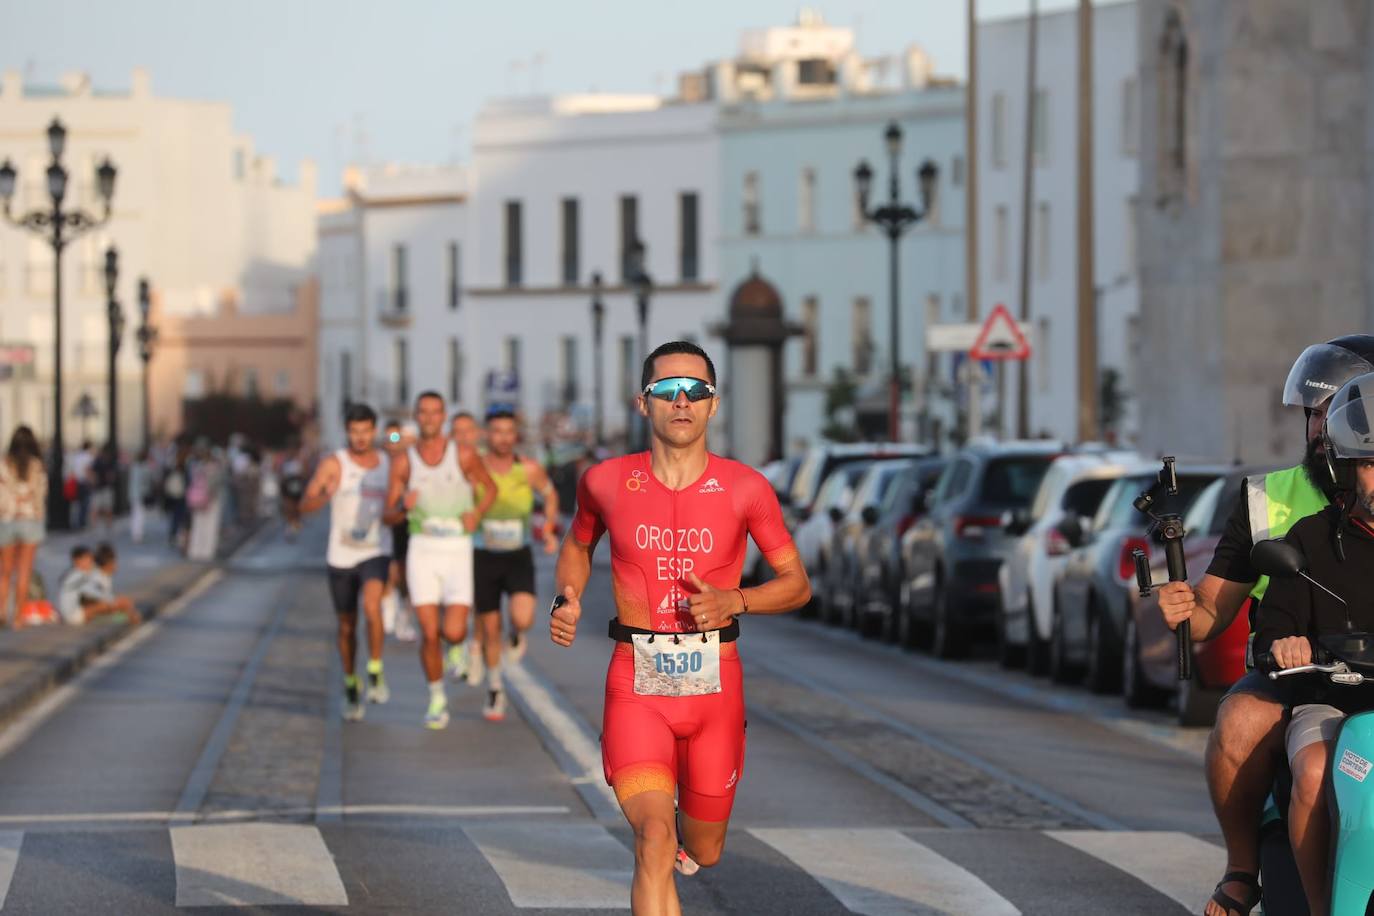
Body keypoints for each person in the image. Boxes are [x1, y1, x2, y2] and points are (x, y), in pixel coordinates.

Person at [551, 341, 810, 914]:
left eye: (696, 390)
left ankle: (684, 839)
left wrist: (736, 600)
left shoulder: (746, 488)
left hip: (716, 686)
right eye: (667, 390)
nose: (682, 401)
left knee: (704, 848)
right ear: (644, 404)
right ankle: (661, 840)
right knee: (652, 839)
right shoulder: (604, 482)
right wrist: (566, 597)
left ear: (713, 405)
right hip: (637, 684)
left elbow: (798, 583)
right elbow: (577, 543)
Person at [1158, 334, 1374, 916]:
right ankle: (1242, 868)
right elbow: (1211, 613)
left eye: (1335, 410)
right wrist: (1185, 609)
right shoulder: (1268, 499)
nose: (1319, 428)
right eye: (1313, 414)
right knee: (1239, 718)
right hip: (1302, 671)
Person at [1253, 371, 1374, 915]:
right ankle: (1324, 907)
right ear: (1344, 469)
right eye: (1373, 465)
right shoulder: (1309, 538)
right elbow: (1271, 627)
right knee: (1315, 773)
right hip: (1337, 700)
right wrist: (1285, 645)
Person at [383, 391, 496, 729]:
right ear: (416, 417)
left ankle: (458, 648)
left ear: (443, 416)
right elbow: (388, 514)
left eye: (435, 412)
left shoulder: (462, 454)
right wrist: (403, 505)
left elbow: (489, 489)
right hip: (422, 549)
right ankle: (436, 698)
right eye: (423, 412)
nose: (429, 418)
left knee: (454, 629)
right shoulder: (404, 461)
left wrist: (476, 512)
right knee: (429, 633)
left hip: (457, 550)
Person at [299, 403, 393, 722]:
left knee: (372, 607)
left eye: (366, 431)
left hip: (375, 549)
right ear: (347, 432)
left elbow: (401, 503)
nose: (361, 437)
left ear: (374, 430)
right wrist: (324, 496)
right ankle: (351, 682)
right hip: (341, 554)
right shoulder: (333, 464)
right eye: (354, 432)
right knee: (346, 626)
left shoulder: (386, 464)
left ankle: (375, 670)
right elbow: (305, 505)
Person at [471, 408, 561, 721]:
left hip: (517, 554)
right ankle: (495, 688)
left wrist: (548, 528)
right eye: (497, 431)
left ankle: (517, 634)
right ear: (487, 434)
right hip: (482, 554)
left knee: (522, 618)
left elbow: (550, 496)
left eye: (509, 432)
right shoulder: (475, 467)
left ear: (516, 436)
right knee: (490, 627)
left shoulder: (529, 469)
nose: (503, 438)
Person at [0, 426, 47, 628]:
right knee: (24, 572)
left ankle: (1, 611)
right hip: (30, 521)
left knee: (5, 572)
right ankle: (18, 617)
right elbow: (41, 494)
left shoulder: (4, 464)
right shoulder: (37, 466)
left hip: (7, 520)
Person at [56, 544, 139, 626]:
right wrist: (117, 601)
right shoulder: (78, 576)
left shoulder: (76, 574)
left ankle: (124, 617)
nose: (91, 563)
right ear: (77, 561)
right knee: (105, 606)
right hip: (72, 616)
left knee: (108, 608)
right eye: (87, 559)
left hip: (71, 614)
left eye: (91, 559)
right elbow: (95, 593)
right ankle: (126, 617)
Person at [186, 442, 224, 561]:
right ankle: (207, 551)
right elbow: (217, 485)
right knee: (210, 525)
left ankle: (195, 550)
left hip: (197, 499)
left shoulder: (195, 466)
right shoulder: (215, 468)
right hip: (211, 500)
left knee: (198, 525)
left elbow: (191, 483)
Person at [89, 444, 118, 532]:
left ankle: (106, 525)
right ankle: (97, 525)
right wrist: (94, 480)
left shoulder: (105, 461)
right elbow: (91, 471)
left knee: (106, 508)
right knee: (97, 508)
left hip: (104, 487)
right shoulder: (99, 461)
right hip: (99, 488)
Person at [69, 440, 95, 529]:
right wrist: (92, 480)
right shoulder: (88, 457)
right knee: (85, 504)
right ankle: (82, 523)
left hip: (77, 481)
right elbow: (87, 469)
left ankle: (76, 522)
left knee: (77, 504)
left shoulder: (77, 456)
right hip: (84, 482)